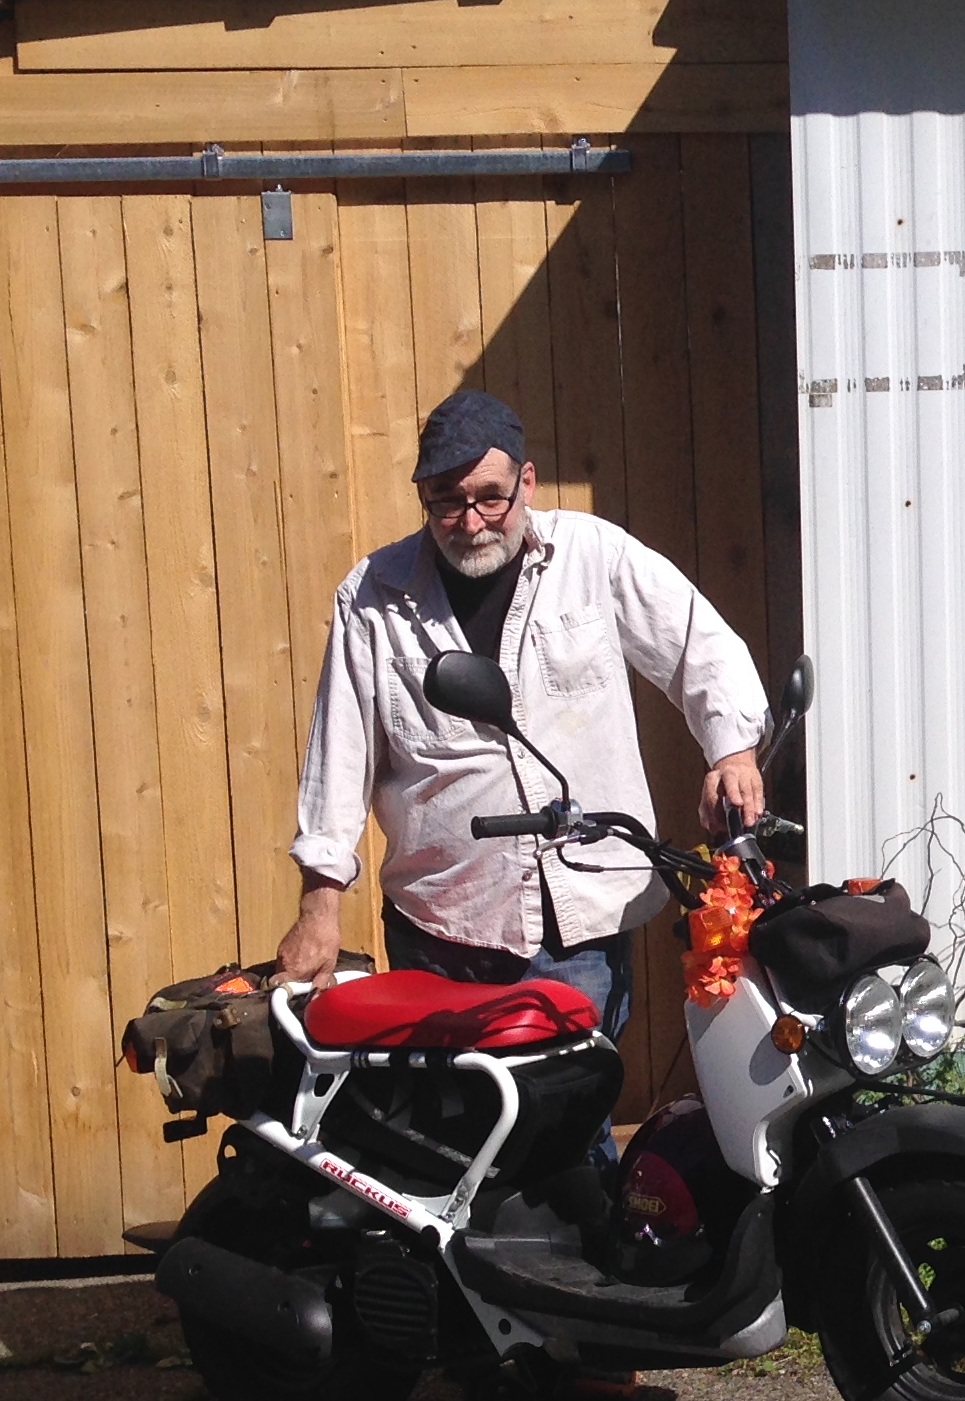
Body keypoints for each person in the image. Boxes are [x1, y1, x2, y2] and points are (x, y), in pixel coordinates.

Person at [274, 388, 768, 1046]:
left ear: (526, 483)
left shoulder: (592, 556)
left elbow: (697, 646)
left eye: (490, 497)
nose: (471, 520)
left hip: (581, 922)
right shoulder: (374, 596)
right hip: (444, 927)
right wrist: (320, 908)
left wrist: (730, 751)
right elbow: (339, 753)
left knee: (572, 1120)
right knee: (456, 1134)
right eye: (448, 502)